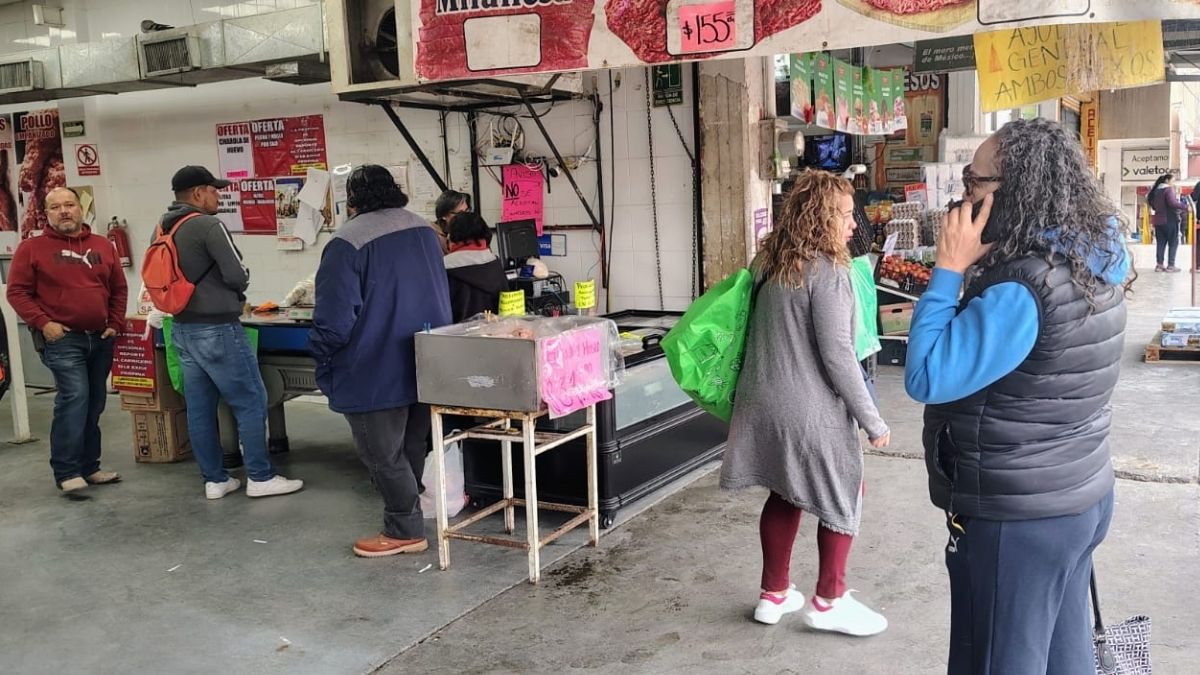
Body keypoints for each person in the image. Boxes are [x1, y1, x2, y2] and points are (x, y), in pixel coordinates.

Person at [904, 118, 1130, 674]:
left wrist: (948, 271)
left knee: (999, 661)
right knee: (1062, 654)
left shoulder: (1025, 287)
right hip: (1076, 495)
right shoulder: (1096, 255)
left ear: (1016, 190)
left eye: (973, 181)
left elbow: (927, 374)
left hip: (1019, 518)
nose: (964, 197)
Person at [720, 170, 891, 636]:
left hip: (761, 404)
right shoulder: (829, 272)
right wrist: (871, 420)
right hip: (807, 410)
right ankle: (830, 600)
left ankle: (773, 595)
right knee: (846, 491)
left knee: (786, 489)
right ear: (819, 217)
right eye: (844, 215)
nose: (853, 224)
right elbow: (838, 355)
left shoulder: (767, 265)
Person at [309, 165, 452, 558]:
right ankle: (409, 516)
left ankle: (404, 530)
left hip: (374, 367)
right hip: (426, 360)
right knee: (410, 446)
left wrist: (322, 354)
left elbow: (335, 319)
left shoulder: (347, 242)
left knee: (381, 454)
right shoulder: (424, 230)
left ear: (350, 200)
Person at [160, 165, 303, 500]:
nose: (218, 195)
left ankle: (215, 480)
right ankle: (261, 476)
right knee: (252, 399)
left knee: (199, 408)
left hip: (181, 328)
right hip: (217, 329)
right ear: (198, 193)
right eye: (214, 190)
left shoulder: (163, 226)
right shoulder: (208, 225)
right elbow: (238, 275)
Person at [6, 187, 127, 492]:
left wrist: (115, 322)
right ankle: (67, 472)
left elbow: (119, 288)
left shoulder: (103, 245)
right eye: (56, 207)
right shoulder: (31, 248)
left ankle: (90, 467)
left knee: (95, 402)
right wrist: (43, 323)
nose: (64, 211)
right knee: (75, 399)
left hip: (100, 338)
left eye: (70, 204)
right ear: (46, 214)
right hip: (63, 340)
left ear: (80, 208)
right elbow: (17, 292)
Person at [444, 212, 508, 322]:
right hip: (494, 333)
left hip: (455, 335)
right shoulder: (494, 262)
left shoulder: (443, 267)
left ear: (452, 235)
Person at [1148, 173, 1186, 272]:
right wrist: (1185, 207)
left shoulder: (1156, 191)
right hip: (1169, 220)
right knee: (1173, 242)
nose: (1173, 184)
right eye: (1172, 181)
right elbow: (1172, 203)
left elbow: (1153, 205)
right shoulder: (1168, 190)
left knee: (1160, 243)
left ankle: (1159, 265)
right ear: (1167, 181)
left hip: (1158, 221)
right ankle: (1171, 265)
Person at [432, 190, 471, 255]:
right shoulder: (434, 237)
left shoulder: (471, 229)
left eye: (467, 211)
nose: (465, 216)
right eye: (460, 213)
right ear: (444, 215)